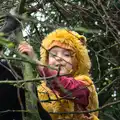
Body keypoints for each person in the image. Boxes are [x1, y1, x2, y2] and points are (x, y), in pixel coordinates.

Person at [18, 28, 99, 120]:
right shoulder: (41, 91)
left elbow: (65, 86)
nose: (59, 58)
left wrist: (36, 62)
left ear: (78, 61)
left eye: (67, 55)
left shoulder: (85, 85)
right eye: (53, 55)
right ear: (47, 60)